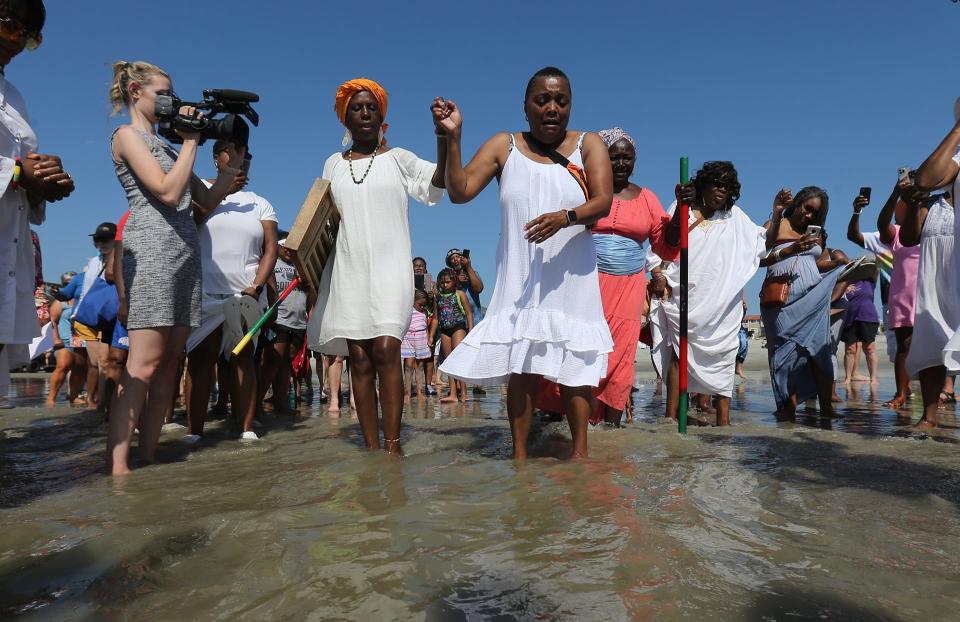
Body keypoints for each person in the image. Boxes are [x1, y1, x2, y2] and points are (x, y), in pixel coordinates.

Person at [436, 66, 614, 459]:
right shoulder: (505, 145)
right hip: (521, 278)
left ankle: (580, 457)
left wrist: (564, 217)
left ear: (570, 106)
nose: (552, 108)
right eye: (542, 100)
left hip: (571, 278)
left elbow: (603, 202)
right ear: (525, 106)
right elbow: (460, 191)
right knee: (522, 368)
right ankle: (518, 459)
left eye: (561, 101)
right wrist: (452, 138)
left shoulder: (589, 144)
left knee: (577, 370)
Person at [105, 61, 245, 475]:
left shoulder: (167, 145)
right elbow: (166, 192)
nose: (172, 101)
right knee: (143, 365)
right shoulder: (127, 136)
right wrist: (190, 141)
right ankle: (118, 469)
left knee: (170, 363)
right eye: (164, 93)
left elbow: (204, 199)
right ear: (135, 91)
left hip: (185, 250)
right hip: (151, 249)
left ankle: (148, 455)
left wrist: (232, 164)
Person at [305, 78, 446, 455]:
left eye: (371, 107)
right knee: (360, 360)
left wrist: (445, 138)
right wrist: (298, 252)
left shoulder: (399, 158)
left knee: (386, 349)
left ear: (382, 115)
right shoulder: (332, 164)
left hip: (391, 269)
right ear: (344, 119)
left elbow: (438, 182)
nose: (365, 113)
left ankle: (394, 446)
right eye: (356, 108)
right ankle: (371, 448)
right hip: (348, 269)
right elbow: (319, 220)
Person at [0, 0, 74, 409]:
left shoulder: (14, 97)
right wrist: (15, 172)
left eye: (30, 37)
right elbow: (14, 168)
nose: (18, 41)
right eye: (12, 25)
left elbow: (22, 169)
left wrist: (43, 182)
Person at [651, 161, 764, 426]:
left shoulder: (736, 217)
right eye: (717, 183)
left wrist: (779, 213)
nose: (722, 190)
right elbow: (667, 241)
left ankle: (724, 426)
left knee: (724, 359)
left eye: (727, 186)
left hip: (720, 304)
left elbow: (759, 244)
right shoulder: (684, 207)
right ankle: (670, 419)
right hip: (685, 297)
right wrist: (682, 206)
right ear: (704, 184)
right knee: (679, 356)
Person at [184, 141, 278, 442]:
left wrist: (258, 286)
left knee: (243, 359)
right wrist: (221, 190)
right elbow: (188, 225)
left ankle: (246, 428)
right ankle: (194, 432)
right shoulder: (197, 189)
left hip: (246, 293)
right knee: (200, 362)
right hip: (205, 292)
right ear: (216, 159)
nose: (242, 160)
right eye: (235, 154)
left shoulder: (259, 202)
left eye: (247, 156)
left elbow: (270, 249)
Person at [591, 127, 678, 425]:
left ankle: (612, 427)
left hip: (629, 286)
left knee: (621, 356)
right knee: (587, 350)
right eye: (613, 157)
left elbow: (666, 243)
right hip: (587, 283)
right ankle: (581, 422)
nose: (620, 164)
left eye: (626, 158)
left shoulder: (647, 198)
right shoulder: (587, 189)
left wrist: (681, 210)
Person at [760, 186, 848, 421]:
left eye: (815, 214)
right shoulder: (775, 225)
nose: (809, 216)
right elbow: (758, 259)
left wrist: (842, 264)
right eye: (807, 209)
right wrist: (789, 249)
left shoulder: (816, 233)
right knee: (783, 354)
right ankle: (787, 407)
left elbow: (816, 265)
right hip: (781, 300)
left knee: (819, 352)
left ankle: (827, 409)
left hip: (813, 298)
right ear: (797, 203)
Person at [915, 117, 960, 425]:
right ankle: (929, 418)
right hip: (945, 267)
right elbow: (926, 179)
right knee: (933, 334)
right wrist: (958, 129)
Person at [900, 186, 956, 429]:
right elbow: (908, 238)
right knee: (932, 343)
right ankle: (929, 416)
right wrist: (913, 204)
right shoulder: (931, 204)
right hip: (935, 284)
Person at [875, 178, 921, 410]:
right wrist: (894, 194)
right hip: (903, 296)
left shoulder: (932, 228)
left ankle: (945, 390)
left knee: (938, 340)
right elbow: (882, 222)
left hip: (929, 293)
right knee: (904, 345)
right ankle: (901, 392)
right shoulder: (898, 233)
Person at [847, 191, 896, 367]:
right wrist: (857, 212)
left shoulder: (924, 234)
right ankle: (904, 393)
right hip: (892, 302)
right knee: (898, 352)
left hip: (923, 300)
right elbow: (853, 236)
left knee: (927, 350)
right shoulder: (883, 238)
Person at [261, 239, 307, 416]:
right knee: (272, 362)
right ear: (278, 246)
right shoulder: (272, 263)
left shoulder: (300, 266)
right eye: (284, 247)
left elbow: (309, 291)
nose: (288, 250)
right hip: (278, 319)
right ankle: (257, 402)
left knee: (286, 363)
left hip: (298, 322)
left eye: (291, 247)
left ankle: (281, 404)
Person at [46, 272, 86, 406]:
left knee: (79, 369)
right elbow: (52, 321)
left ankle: (73, 396)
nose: (70, 286)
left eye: (73, 283)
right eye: (67, 284)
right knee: (63, 366)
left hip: (80, 341)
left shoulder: (81, 298)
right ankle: (51, 399)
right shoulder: (60, 302)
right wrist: (55, 338)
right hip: (64, 341)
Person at [434, 269, 473, 403]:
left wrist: (471, 331)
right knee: (449, 362)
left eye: (448, 282)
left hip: (458, 328)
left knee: (459, 359)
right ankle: (453, 394)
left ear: (454, 281)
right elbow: (435, 318)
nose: (445, 285)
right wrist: (431, 336)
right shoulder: (438, 297)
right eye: (442, 282)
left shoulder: (459, 294)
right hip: (445, 330)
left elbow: (468, 313)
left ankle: (464, 392)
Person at [401, 289, 433, 401]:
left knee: (419, 366)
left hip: (421, 338)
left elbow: (425, 327)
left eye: (424, 305)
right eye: (420, 304)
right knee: (409, 365)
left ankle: (420, 391)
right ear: (413, 301)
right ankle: (407, 392)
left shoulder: (424, 312)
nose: (421, 307)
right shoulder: (407, 310)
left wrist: (429, 339)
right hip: (408, 338)